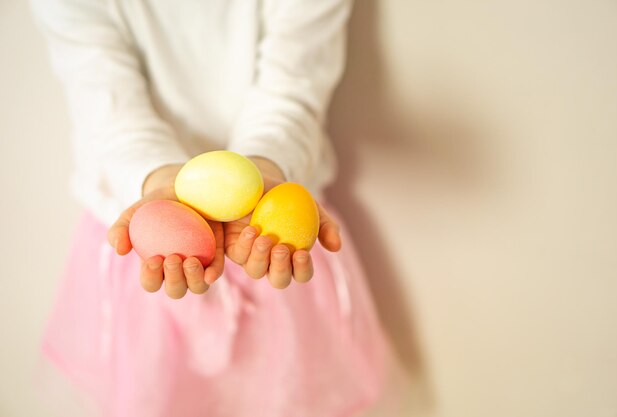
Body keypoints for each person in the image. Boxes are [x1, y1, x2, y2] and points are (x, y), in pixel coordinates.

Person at [32, 0, 399, 416]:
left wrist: (262, 170)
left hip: (269, 229)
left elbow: (293, 89)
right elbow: (106, 102)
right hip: (144, 240)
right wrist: (157, 180)